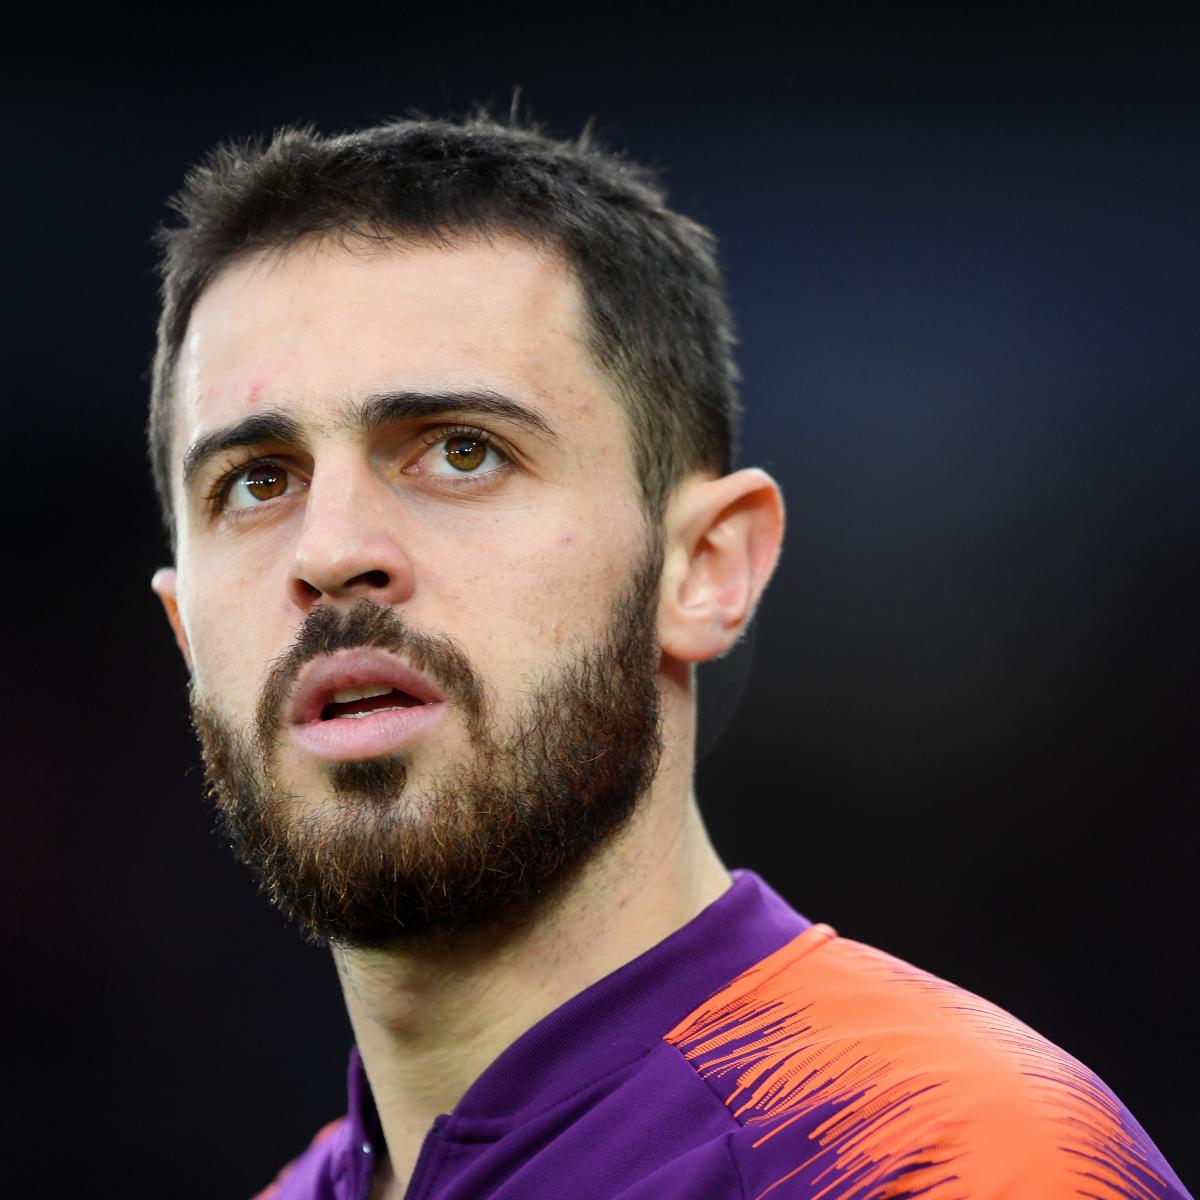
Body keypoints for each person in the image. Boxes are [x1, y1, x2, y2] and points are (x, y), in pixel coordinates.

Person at [147, 114, 1191, 1200]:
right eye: (257, 482)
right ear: (186, 632)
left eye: (462, 452)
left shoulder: (941, 1160)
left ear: (704, 568)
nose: (328, 553)